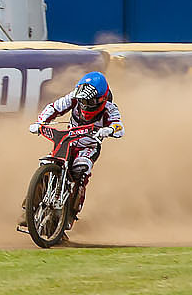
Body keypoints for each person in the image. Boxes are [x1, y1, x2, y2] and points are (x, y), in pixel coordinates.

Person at [24, 71, 122, 227]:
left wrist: (109, 130)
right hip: (68, 140)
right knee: (46, 164)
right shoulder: (73, 98)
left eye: (89, 102)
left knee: (81, 169)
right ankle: (29, 208)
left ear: (101, 99)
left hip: (88, 145)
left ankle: (70, 215)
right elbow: (54, 108)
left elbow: (119, 126)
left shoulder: (110, 108)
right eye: (82, 100)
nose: (84, 104)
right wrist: (40, 123)